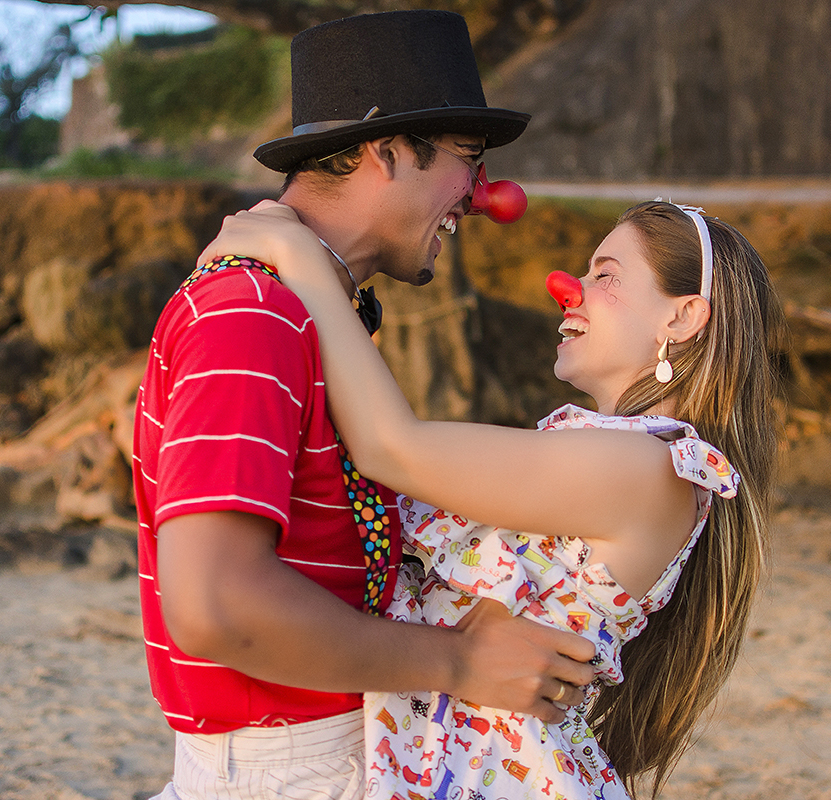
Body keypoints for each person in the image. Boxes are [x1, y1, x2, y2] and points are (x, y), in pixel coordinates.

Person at [133, 9, 596, 800]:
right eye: (469, 160)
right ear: (386, 150)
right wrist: (457, 661)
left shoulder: (306, 310)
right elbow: (212, 603)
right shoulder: (255, 311)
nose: (482, 198)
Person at [196, 198, 785, 799]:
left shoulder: (648, 470)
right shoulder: (611, 458)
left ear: (683, 319)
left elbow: (392, 448)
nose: (568, 290)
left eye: (605, 275)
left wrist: (301, 257)